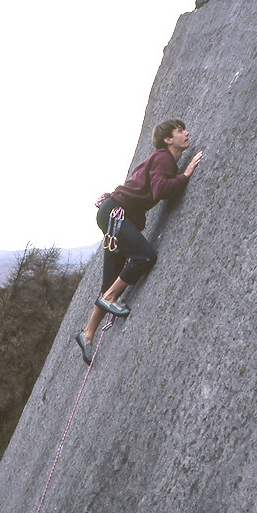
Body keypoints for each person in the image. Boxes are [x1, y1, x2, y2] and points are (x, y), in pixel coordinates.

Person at [76, 118, 202, 364]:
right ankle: (110, 298)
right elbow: (160, 190)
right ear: (168, 139)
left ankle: (87, 333)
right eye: (180, 130)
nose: (187, 133)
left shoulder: (160, 161)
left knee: (111, 279)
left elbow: (148, 182)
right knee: (145, 256)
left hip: (113, 214)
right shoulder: (164, 158)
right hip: (116, 214)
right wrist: (186, 174)